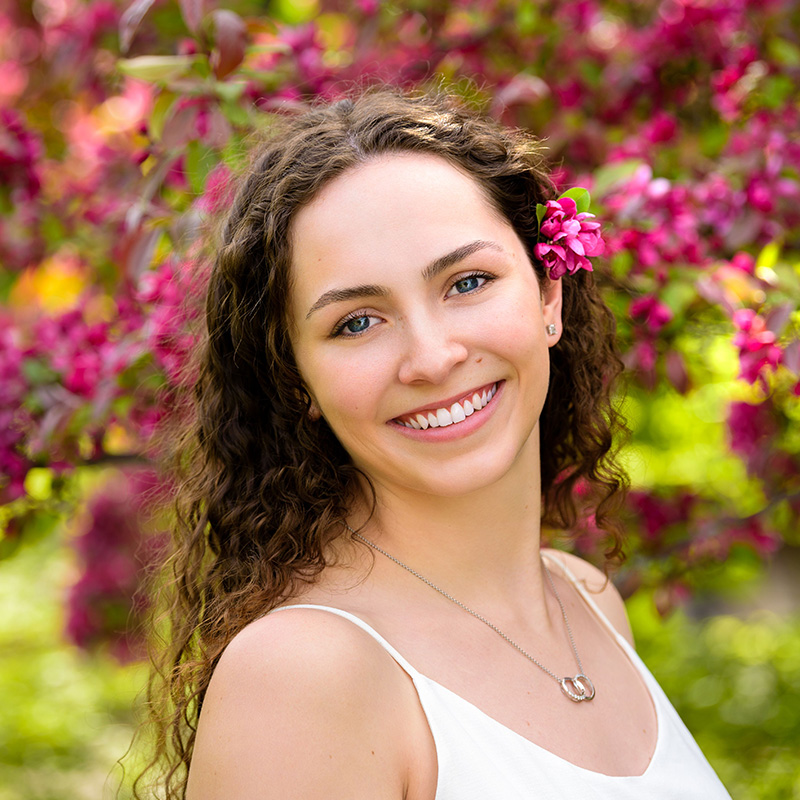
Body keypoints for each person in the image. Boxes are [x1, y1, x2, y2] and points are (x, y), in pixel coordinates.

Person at [144, 89, 732, 799]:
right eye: (357, 323)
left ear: (548, 297)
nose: (431, 356)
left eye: (469, 281)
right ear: (294, 378)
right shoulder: (304, 674)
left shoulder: (588, 602)